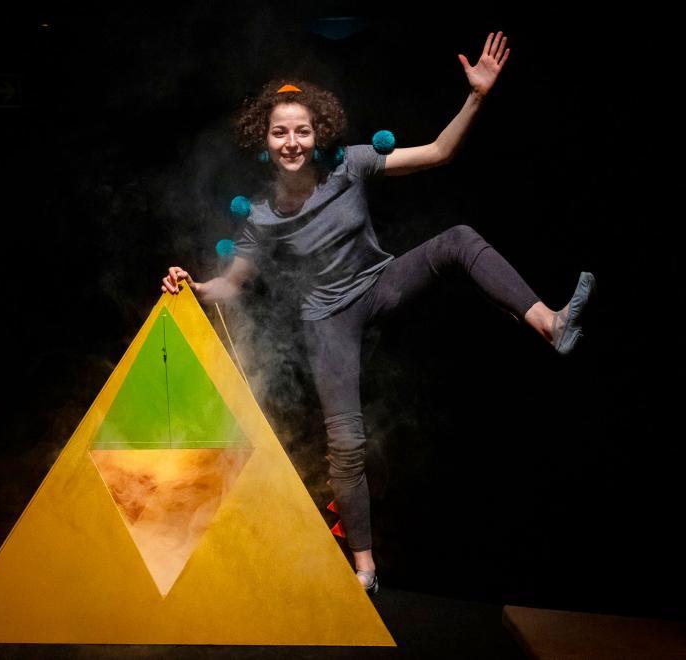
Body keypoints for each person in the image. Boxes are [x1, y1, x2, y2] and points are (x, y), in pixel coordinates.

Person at [160, 32, 596, 594]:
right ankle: (365, 568)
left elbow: (438, 153)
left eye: (301, 130)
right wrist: (194, 285)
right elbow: (231, 282)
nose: (292, 141)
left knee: (458, 239)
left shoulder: (353, 164)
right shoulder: (261, 215)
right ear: (264, 140)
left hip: (379, 284)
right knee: (346, 443)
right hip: (327, 321)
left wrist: (476, 97)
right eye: (280, 132)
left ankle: (549, 324)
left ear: (317, 133)